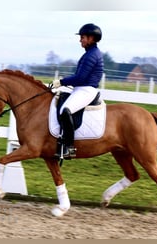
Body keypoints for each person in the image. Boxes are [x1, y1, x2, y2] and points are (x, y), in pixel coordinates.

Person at [52, 23, 104, 159]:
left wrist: (61, 82)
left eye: (83, 37)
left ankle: (69, 148)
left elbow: (81, 77)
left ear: (91, 38)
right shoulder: (89, 53)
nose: (80, 40)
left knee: (65, 110)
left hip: (86, 90)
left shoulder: (92, 55)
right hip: (81, 88)